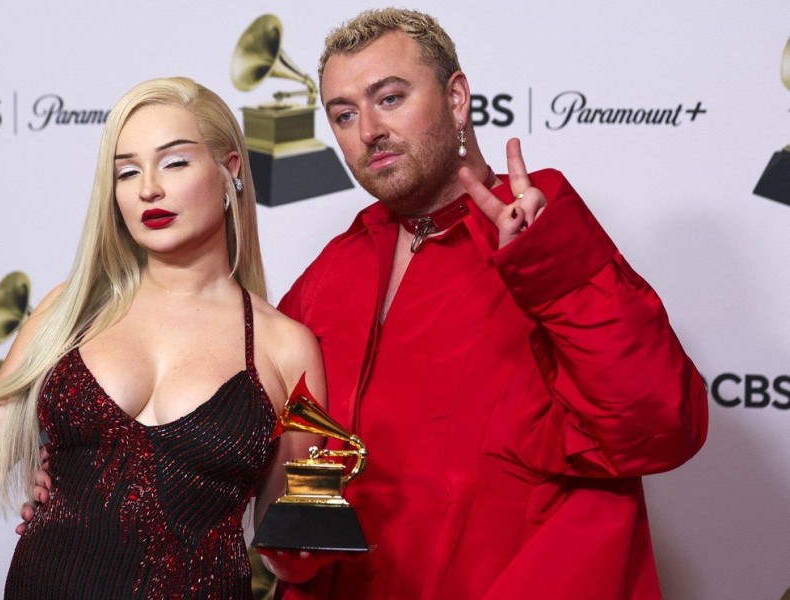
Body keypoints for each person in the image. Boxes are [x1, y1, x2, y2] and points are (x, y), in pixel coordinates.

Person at [267, 8, 708, 600]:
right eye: (344, 114)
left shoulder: (545, 236)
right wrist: (290, 545)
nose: (368, 130)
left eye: (390, 98)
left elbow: (661, 429)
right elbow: (295, 469)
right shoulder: (331, 272)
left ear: (456, 98)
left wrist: (550, 265)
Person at [0, 77, 325, 599]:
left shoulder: (286, 349)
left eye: (174, 162)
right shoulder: (71, 310)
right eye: (127, 172)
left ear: (229, 171)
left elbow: (291, 556)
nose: (148, 187)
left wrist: (318, 521)